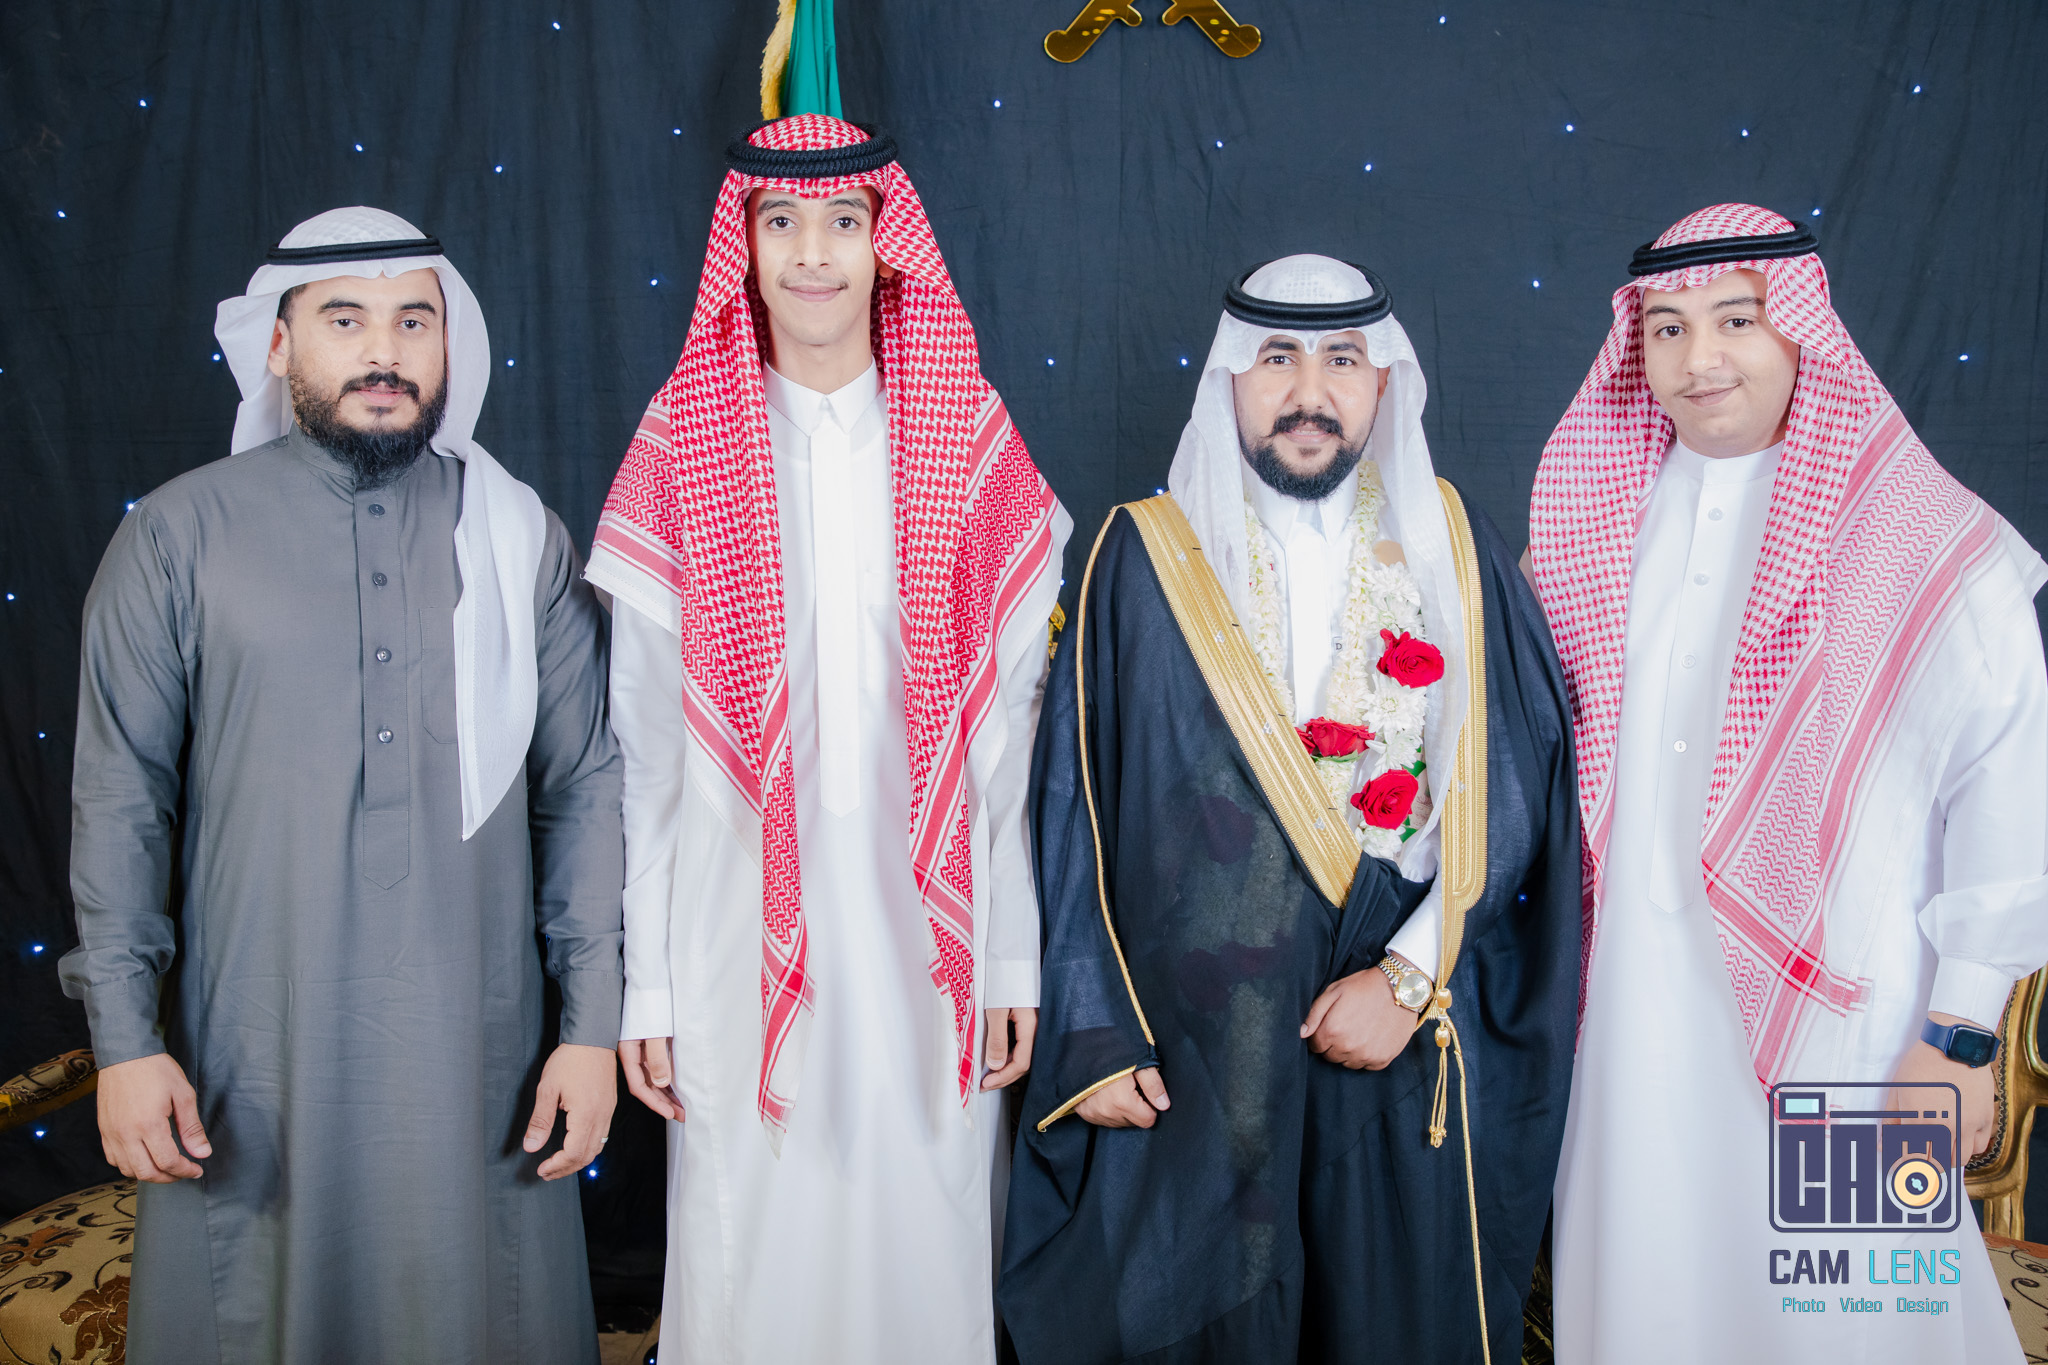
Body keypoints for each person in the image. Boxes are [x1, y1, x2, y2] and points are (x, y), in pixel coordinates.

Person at [60, 207, 624, 1365]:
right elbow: (119, 802)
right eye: (345, 320)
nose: (383, 351)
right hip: (247, 1057)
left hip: (483, 1056)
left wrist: (593, 1028)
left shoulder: (519, 538)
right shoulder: (175, 537)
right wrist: (123, 1043)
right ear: (277, 345)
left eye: (413, 321)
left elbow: (583, 789)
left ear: (450, 343)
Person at [999, 255, 1580, 1364]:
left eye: (1341, 360)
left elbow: (1515, 781)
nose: (1309, 393)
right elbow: (1072, 804)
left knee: (1388, 1321)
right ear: (1229, 376)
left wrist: (1409, 977)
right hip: (1199, 1049)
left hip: (1392, 1029)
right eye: (1276, 358)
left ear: (1382, 381)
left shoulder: (1454, 547)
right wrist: (1096, 1040)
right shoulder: (1142, 553)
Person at [1532, 203, 2047, 1363]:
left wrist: (1957, 1037)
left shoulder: (1921, 537)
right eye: (1665, 329)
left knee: (1858, 1309)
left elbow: (2006, 790)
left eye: (1734, 319)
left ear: (1800, 331)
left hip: (1857, 1017)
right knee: (1648, 1293)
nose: (1697, 358)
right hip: (1626, 1009)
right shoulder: (1589, 527)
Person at [592, 115, 1070, 1364]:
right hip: (729, 930)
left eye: (843, 222)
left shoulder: (965, 434)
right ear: (743, 250)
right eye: (782, 223)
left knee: (927, 1230)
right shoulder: (679, 443)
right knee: (751, 1241)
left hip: (933, 933)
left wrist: (1009, 961)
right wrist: (647, 987)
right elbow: (646, 760)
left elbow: (1008, 752)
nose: (813, 253)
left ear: (883, 246)